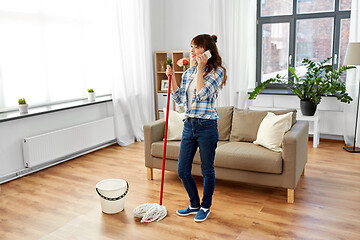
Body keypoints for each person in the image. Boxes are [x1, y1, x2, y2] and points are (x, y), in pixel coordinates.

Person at [166, 34, 227, 222]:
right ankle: (194, 204)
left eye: (196, 47)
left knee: (207, 170)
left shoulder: (217, 72)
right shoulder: (188, 73)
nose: (191, 51)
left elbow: (201, 94)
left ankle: (205, 206)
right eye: (191, 47)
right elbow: (179, 99)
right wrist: (173, 78)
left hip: (207, 126)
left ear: (207, 50)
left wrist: (201, 67)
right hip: (189, 125)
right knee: (182, 170)